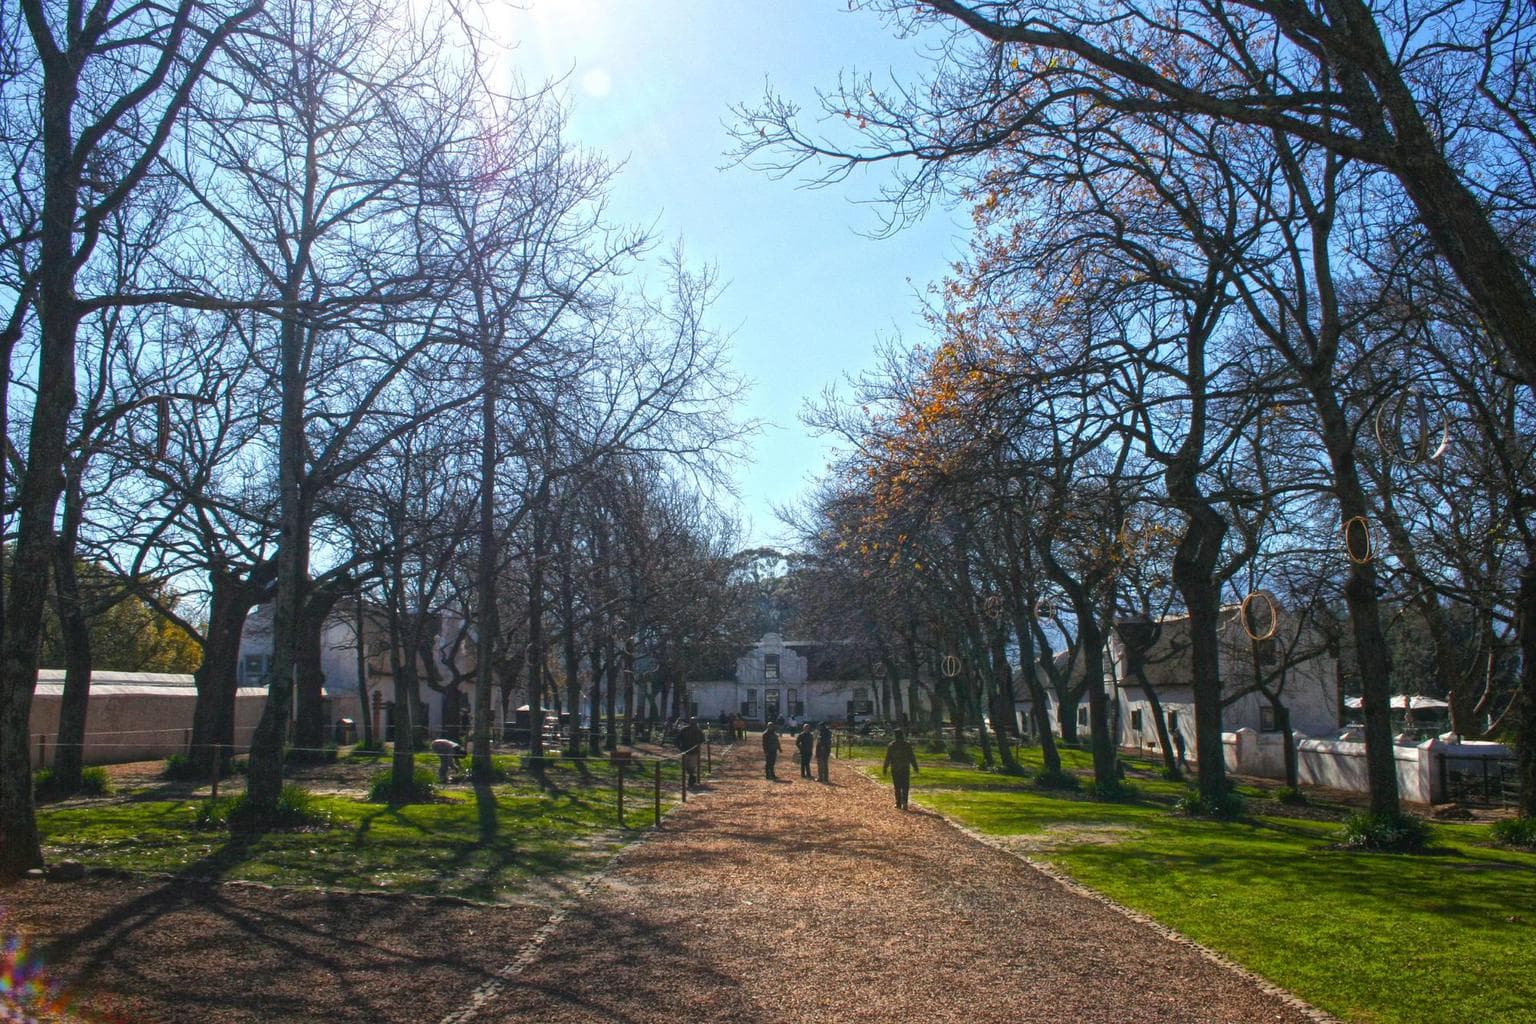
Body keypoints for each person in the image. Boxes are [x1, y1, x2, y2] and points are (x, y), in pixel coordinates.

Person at [881, 728, 920, 809]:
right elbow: (911, 757)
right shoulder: (907, 745)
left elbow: (888, 758)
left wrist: (885, 767)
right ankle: (904, 803)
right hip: (905, 767)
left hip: (895, 768)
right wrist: (915, 766)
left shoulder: (892, 745)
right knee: (905, 786)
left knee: (897, 786)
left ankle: (898, 803)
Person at [676, 717, 705, 788]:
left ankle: (691, 782)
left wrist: (697, 745)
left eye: (694, 722)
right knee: (685, 767)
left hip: (694, 752)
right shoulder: (684, 730)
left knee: (691, 767)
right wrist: (680, 747)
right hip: (685, 751)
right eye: (692, 721)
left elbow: (702, 740)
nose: (693, 723)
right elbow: (677, 739)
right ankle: (691, 779)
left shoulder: (698, 731)